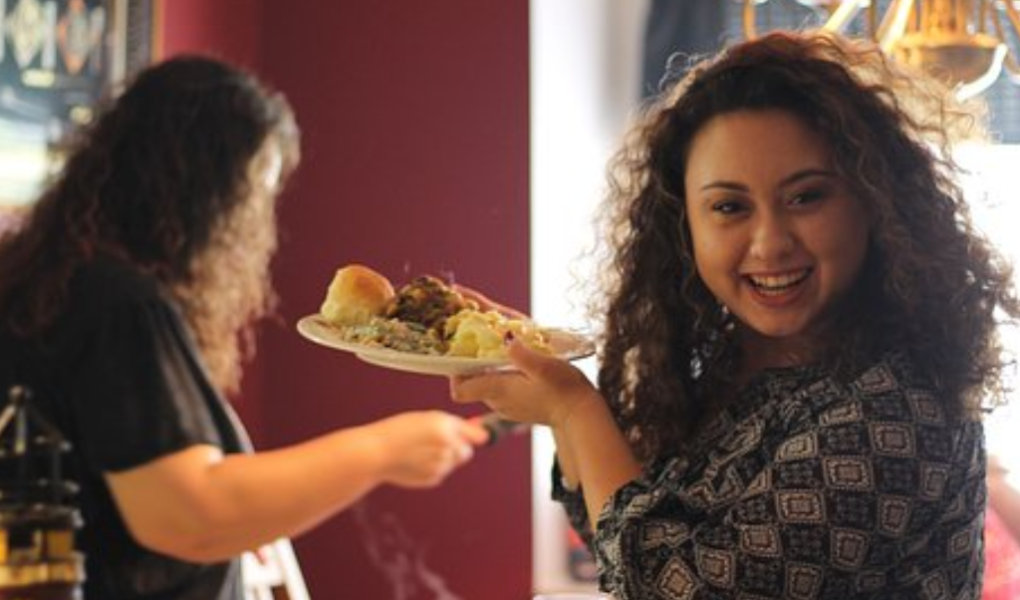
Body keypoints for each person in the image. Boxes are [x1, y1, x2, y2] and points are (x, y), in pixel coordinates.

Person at [451, 31, 1020, 599]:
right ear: (685, 229)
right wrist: (545, 378)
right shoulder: (725, 373)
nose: (769, 244)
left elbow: (668, 585)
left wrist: (575, 409)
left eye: (806, 197)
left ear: (873, 204)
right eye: (729, 206)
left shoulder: (896, 412)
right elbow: (618, 536)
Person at [0, 56, 489, 599]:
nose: (257, 222)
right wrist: (383, 450)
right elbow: (187, 515)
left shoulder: (51, 281)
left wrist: (249, 518)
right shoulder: (118, 304)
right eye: (255, 193)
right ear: (207, 192)